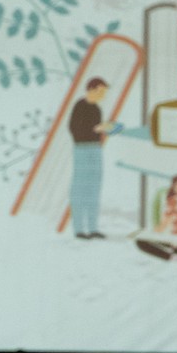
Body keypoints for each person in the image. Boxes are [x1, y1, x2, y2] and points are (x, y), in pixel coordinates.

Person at [68, 76, 112, 239]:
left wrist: (104, 129)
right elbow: (74, 129)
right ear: (91, 90)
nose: (102, 95)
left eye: (104, 92)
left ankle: (93, 228)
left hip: (95, 149)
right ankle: (79, 229)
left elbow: (96, 131)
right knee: (80, 188)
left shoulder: (97, 109)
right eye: (100, 92)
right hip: (82, 149)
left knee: (94, 187)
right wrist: (95, 129)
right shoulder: (80, 106)